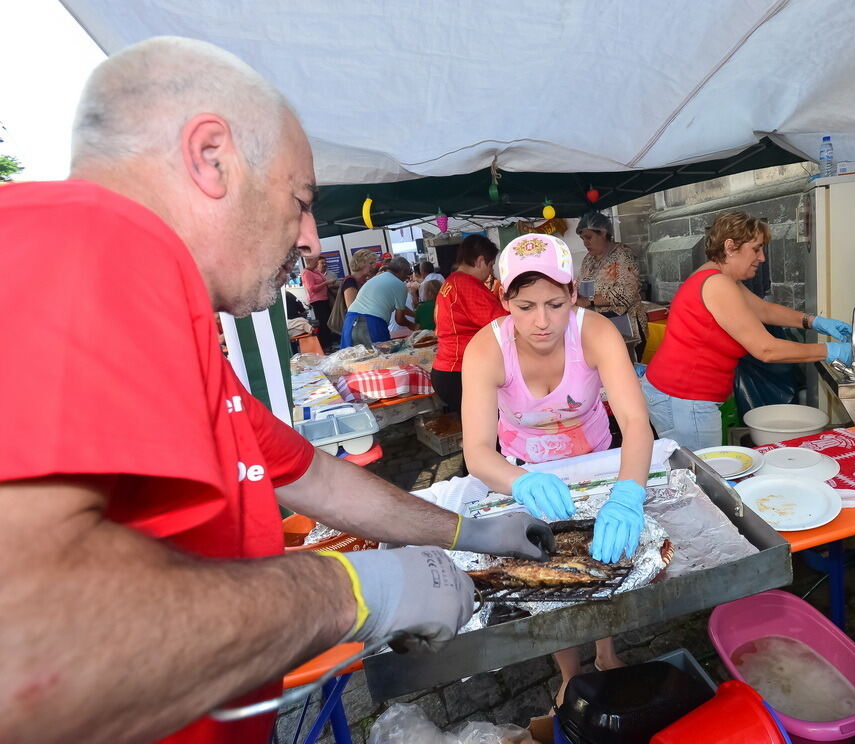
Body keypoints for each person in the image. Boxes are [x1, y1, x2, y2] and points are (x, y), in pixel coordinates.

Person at [0, 37, 556, 744]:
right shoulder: (89, 241)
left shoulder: (171, 315)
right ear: (211, 157)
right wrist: (356, 592)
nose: (311, 241)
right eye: (300, 202)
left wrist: (470, 532)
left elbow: (314, 476)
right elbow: (28, 643)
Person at [462, 233, 654, 708]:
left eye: (554, 303)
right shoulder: (486, 350)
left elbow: (635, 422)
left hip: (595, 458)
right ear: (504, 297)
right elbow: (478, 451)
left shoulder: (595, 332)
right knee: (549, 571)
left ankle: (607, 652)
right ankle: (570, 671)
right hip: (525, 471)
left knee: (608, 561)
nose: (542, 322)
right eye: (525, 306)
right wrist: (519, 480)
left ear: (573, 293)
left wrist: (628, 492)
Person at [641, 211, 855, 450]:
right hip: (684, 398)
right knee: (702, 476)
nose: (762, 257)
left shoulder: (719, 277)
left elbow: (764, 310)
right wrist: (829, 351)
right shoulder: (718, 285)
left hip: (679, 395)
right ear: (730, 247)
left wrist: (813, 321)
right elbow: (766, 349)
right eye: (756, 249)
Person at [431, 234, 508, 413]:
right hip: (459, 370)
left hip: (449, 368)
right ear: (480, 261)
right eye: (490, 266)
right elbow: (502, 323)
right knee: (492, 429)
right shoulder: (466, 284)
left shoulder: (452, 281)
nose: (490, 273)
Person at [574, 211, 648, 359]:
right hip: (597, 326)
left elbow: (626, 293)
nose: (585, 243)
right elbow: (579, 285)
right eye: (583, 238)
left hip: (625, 326)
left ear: (603, 233)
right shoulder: (588, 259)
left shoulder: (623, 255)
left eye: (589, 237)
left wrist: (589, 301)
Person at [339, 255, 414, 347]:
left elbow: (399, 306)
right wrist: (414, 326)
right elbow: (400, 320)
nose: (407, 277)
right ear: (403, 271)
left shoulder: (376, 278)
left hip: (350, 322)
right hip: (371, 324)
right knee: (380, 358)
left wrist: (414, 314)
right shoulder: (400, 285)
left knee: (354, 359)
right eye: (407, 273)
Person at [301, 255, 338, 352]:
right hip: (317, 301)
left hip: (324, 299)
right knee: (323, 323)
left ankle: (329, 344)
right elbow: (311, 288)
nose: (317, 263)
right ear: (310, 261)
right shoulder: (306, 273)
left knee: (327, 322)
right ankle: (325, 346)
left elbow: (324, 280)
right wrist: (326, 283)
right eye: (315, 261)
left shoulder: (315, 271)